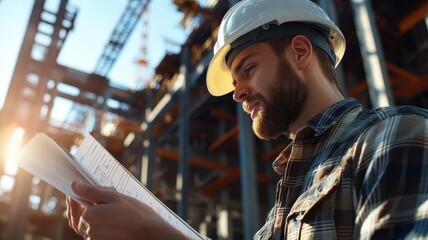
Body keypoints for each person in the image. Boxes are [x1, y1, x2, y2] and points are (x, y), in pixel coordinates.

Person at [67, 0, 428, 239]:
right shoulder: (280, 212)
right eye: (235, 82)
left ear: (300, 52)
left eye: (248, 69)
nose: (237, 93)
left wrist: (152, 232)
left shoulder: (393, 138)